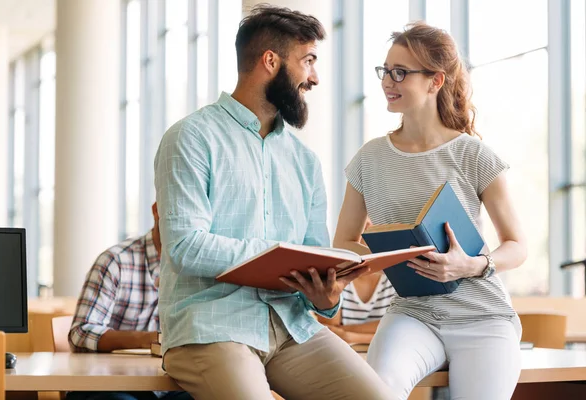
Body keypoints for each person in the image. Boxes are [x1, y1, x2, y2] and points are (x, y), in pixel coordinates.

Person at [154, 5, 394, 400]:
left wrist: (327, 295)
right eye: (308, 61)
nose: (314, 77)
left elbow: (315, 254)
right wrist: (277, 255)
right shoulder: (190, 138)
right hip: (211, 327)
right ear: (270, 61)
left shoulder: (305, 161)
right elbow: (184, 247)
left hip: (292, 327)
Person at [333, 22, 527, 400]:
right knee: (373, 393)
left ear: (435, 81)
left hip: (483, 316)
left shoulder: (473, 155)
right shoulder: (368, 160)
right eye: (385, 71)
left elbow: (517, 245)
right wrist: (385, 257)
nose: (388, 81)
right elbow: (343, 241)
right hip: (412, 313)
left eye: (400, 72)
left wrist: (472, 265)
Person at [67, 203, 192, 400]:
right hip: (110, 385)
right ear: (156, 209)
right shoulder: (115, 261)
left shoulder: (198, 266)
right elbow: (81, 333)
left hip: (171, 385)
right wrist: (149, 339)